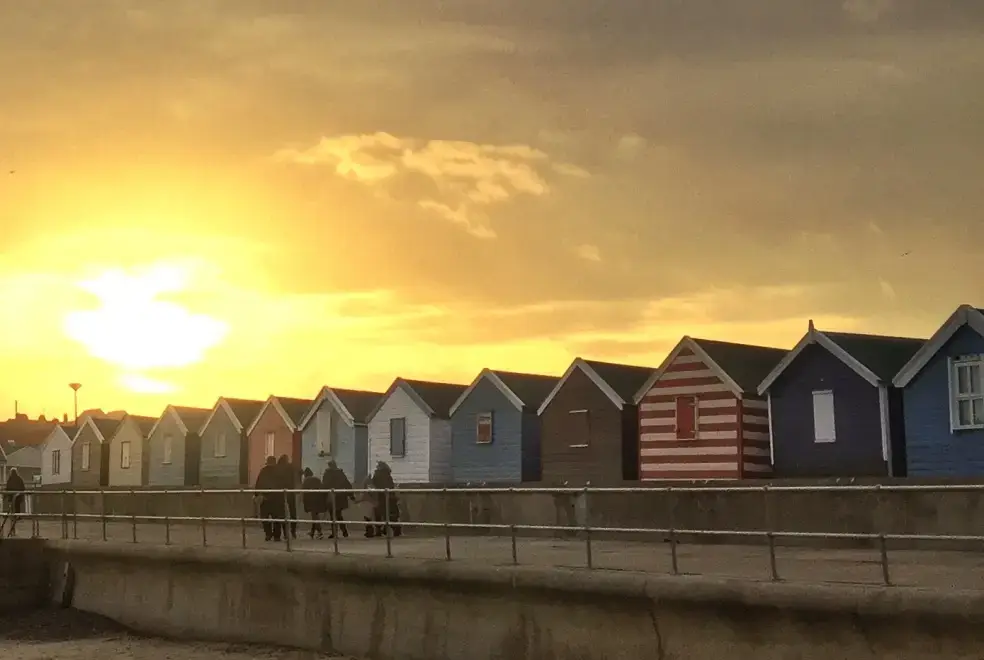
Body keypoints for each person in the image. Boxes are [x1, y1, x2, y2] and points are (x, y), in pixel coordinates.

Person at [254, 456, 284, 542]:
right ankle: (277, 536)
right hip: (277, 499)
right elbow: (283, 484)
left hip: (265, 498)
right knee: (277, 518)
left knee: (265, 518)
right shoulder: (279, 471)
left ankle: (268, 534)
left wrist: (257, 494)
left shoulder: (263, 471)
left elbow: (258, 483)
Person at [321, 460, 353, 539]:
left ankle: (335, 532)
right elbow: (347, 484)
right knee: (338, 515)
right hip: (340, 496)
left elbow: (325, 485)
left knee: (333, 516)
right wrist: (351, 495)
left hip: (331, 496)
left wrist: (323, 495)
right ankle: (344, 531)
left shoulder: (327, 474)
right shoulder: (340, 473)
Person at [371, 461, 401, 538]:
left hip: (381, 497)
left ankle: (379, 530)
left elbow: (374, 484)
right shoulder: (388, 475)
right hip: (390, 497)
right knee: (389, 515)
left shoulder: (377, 475)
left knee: (379, 514)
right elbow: (390, 485)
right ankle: (395, 529)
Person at [276, 454, 298, 540]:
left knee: (282, 513)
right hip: (290, 491)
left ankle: (285, 533)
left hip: (280, 492)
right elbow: (294, 478)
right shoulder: (290, 467)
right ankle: (293, 531)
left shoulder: (277, 468)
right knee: (292, 512)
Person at [301, 468, 326, 539]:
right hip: (319, 499)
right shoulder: (317, 479)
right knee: (315, 516)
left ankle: (320, 532)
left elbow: (304, 491)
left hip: (311, 500)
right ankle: (312, 532)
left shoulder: (306, 480)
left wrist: (303, 501)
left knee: (314, 517)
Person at [3, 468, 26, 537]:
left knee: (12, 506)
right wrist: (21, 494)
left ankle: (13, 516)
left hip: (12, 496)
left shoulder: (10, 479)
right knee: (17, 506)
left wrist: (5, 496)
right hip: (18, 497)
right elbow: (23, 487)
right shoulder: (19, 479)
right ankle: (17, 516)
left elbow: (7, 488)